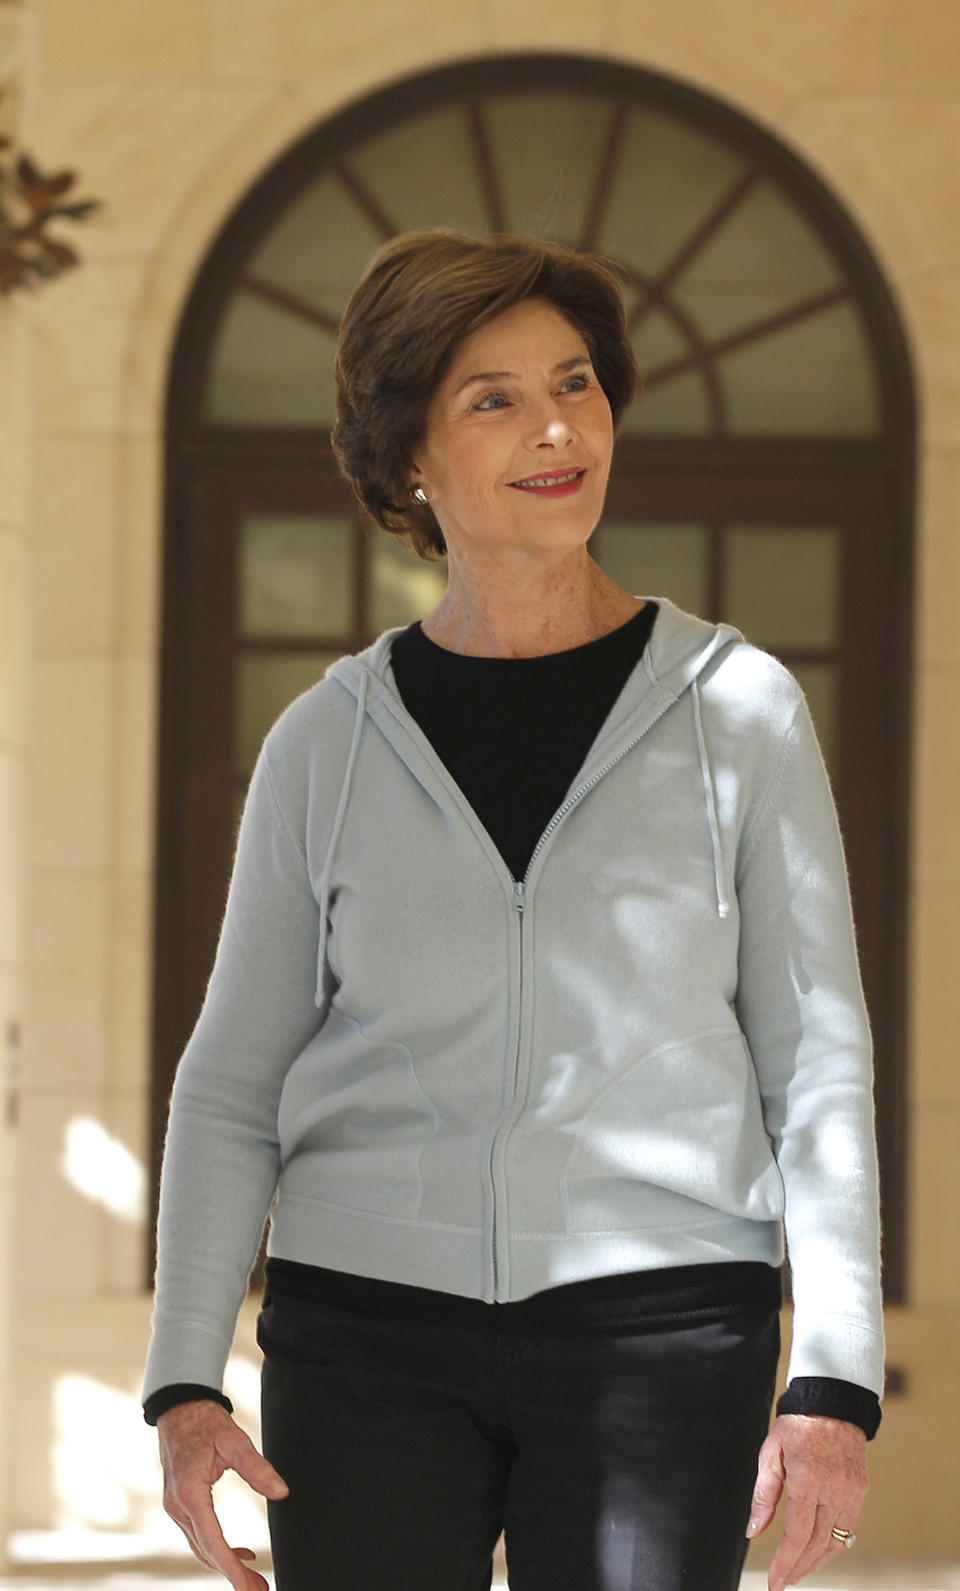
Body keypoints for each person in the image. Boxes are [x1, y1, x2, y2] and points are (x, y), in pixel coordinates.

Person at [142, 229, 884, 1591]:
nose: (557, 427)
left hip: (664, 1334)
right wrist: (183, 1381)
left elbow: (816, 1063)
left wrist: (834, 1375)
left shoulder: (739, 713)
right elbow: (232, 1079)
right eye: (494, 398)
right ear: (408, 457)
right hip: (362, 1346)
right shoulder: (330, 742)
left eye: (578, 384)